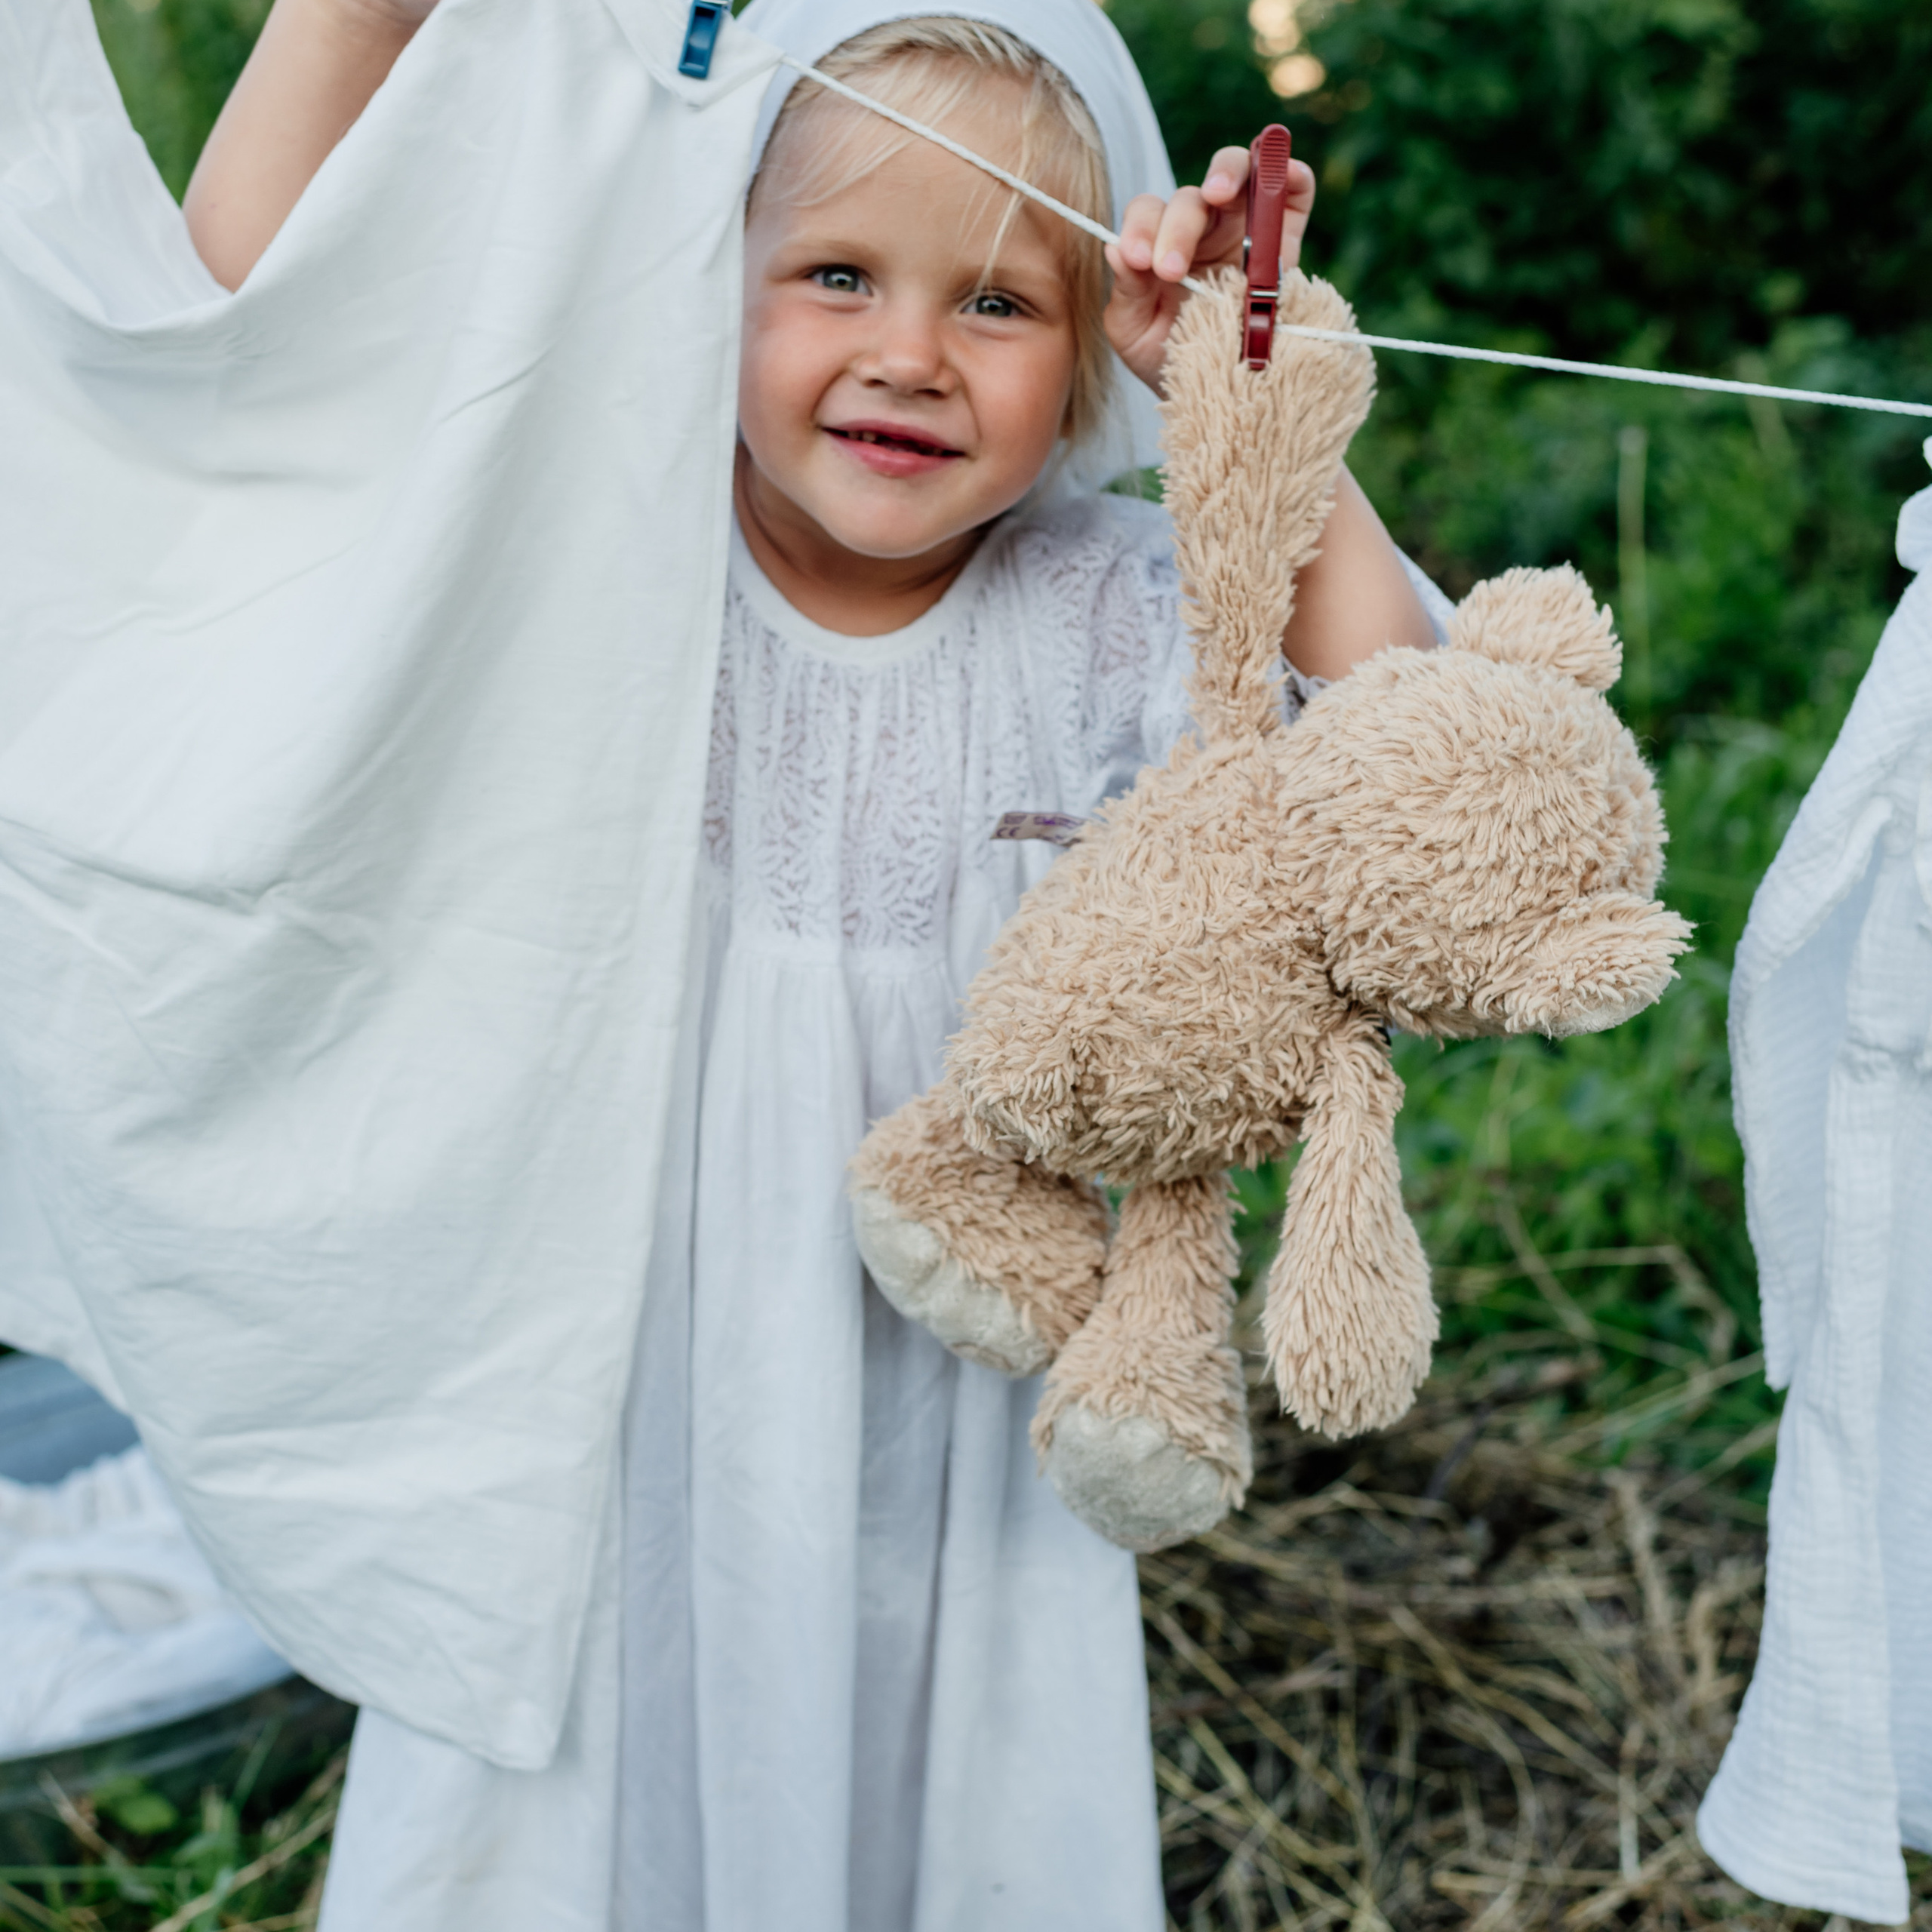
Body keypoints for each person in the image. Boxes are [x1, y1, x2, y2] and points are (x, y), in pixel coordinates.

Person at [168, 0, 1441, 1924]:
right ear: (706, 274)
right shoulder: (606, 541)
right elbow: (250, 344)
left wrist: (1245, 403)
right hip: (602, 1363)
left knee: (925, 1779)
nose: (908, 355)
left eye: (996, 302)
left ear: (1088, 359)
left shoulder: (1103, 605)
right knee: (578, 1786)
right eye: (836, 274)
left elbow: (1405, 766)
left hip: (952, 1389)